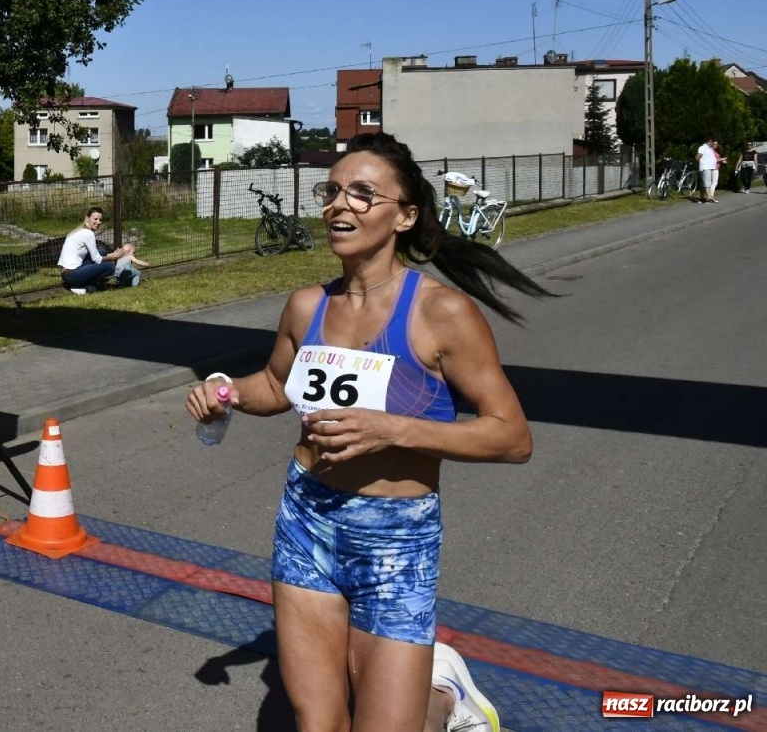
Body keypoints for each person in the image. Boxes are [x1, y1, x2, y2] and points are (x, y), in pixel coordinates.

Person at [186, 132, 552, 732]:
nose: (339, 206)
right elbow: (278, 387)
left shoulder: (442, 313)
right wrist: (223, 390)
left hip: (396, 541)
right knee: (319, 722)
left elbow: (512, 437)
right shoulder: (308, 306)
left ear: (405, 216)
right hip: (306, 520)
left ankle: (444, 697)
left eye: (362, 193)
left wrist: (392, 431)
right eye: (331, 192)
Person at [56, 206, 138, 294]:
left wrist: (113, 254)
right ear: (87, 218)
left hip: (66, 273)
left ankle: (82, 283)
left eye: (100, 220)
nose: (98, 222)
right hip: (72, 276)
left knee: (102, 251)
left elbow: (97, 255)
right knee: (110, 267)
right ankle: (84, 287)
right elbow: (97, 259)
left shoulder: (79, 230)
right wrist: (113, 257)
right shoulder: (88, 234)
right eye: (95, 219)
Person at [697, 138, 720, 203]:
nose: (712, 144)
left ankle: (703, 197)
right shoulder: (702, 148)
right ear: (708, 142)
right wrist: (702, 163)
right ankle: (709, 198)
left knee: (704, 183)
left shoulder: (709, 148)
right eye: (711, 142)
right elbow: (698, 157)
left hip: (710, 167)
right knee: (707, 183)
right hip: (705, 167)